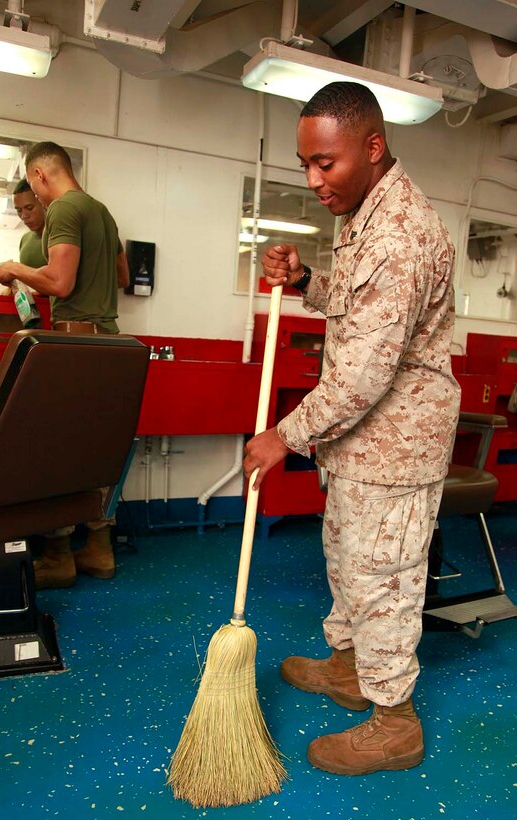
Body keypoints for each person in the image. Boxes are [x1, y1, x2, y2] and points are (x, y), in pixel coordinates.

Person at [243, 82, 461, 777]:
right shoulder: (364, 212)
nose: (313, 180)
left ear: (372, 146)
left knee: (383, 581)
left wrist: (283, 435)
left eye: (325, 163)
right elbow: (355, 304)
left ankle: (395, 722)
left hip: (395, 445)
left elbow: (364, 376)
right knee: (345, 561)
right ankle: (347, 669)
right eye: (305, 163)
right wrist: (306, 277)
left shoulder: (399, 235)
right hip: (358, 443)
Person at [0, 141, 130, 591]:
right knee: (96, 448)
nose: (35, 199)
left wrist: (14, 268)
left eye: (33, 190)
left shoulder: (63, 210)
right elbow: (122, 278)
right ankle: (99, 550)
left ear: (39, 175)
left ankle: (58, 556)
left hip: (76, 342)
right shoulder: (102, 212)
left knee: (55, 448)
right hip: (108, 341)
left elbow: (60, 281)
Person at [13, 178, 47, 267]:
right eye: (19, 210)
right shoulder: (25, 239)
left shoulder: (58, 237)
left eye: (29, 208)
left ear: (43, 203)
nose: (24, 216)